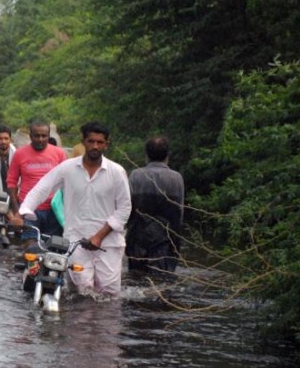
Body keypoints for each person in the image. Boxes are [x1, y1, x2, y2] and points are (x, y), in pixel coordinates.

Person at [19, 121, 131, 298]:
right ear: (83, 142)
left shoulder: (117, 172)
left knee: (109, 295)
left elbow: (125, 209)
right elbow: (42, 189)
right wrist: (24, 212)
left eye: (100, 142)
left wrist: (99, 236)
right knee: (81, 293)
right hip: (75, 242)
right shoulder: (68, 168)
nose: (95, 146)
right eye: (91, 141)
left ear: (106, 145)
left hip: (109, 243)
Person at [126, 136, 185, 275]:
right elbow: (179, 213)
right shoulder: (177, 178)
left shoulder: (135, 175)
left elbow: (127, 208)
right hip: (166, 239)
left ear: (146, 155)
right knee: (163, 281)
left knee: (136, 278)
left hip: (138, 238)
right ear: (167, 155)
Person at [8, 119, 67, 246]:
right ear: (30, 136)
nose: (40, 139)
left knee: (55, 247)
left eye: (44, 136)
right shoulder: (19, 154)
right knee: (31, 246)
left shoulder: (59, 154)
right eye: (37, 136)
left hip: (54, 210)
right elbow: (12, 183)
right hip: (29, 210)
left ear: (48, 136)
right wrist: (17, 211)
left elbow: (66, 183)